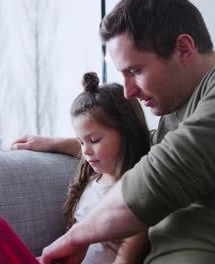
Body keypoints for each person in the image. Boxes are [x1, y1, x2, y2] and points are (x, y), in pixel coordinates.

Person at [12, 0, 215, 263]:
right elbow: (132, 146)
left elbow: (159, 178)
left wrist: (75, 237)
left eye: (135, 71)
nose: (127, 92)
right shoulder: (174, 118)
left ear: (183, 48)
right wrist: (66, 144)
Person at [60, 71, 150, 263]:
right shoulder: (89, 182)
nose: (86, 151)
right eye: (81, 142)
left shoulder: (137, 197)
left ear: (127, 133)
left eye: (94, 140)